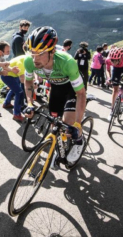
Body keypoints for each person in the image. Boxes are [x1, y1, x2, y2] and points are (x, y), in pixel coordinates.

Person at [23, 26, 86, 165]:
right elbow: (27, 81)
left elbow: (81, 94)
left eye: (40, 54)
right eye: (33, 53)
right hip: (56, 87)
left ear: (52, 51)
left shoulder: (67, 62)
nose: (35, 59)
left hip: (72, 89)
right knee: (54, 123)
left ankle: (80, 141)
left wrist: (78, 124)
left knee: (69, 123)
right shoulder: (29, 61)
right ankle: (59, 146)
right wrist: (29, 103)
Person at [105, 48, 123, 119]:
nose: (113, 62)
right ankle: (112, 111)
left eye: (115, 60)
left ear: (120, 58)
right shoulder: (108, 60)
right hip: (116, 69)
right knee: (115, 90)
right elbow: (107, 70)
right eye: (112, 60)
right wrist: (109, 78)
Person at [1, 55, 26, 122]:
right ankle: (16, 114)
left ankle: (6, 103)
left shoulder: (24, 58)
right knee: (19, 92)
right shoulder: (22, 64)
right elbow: (22, 80)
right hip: (7, 76)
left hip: (12, 75)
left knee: (15, 89)